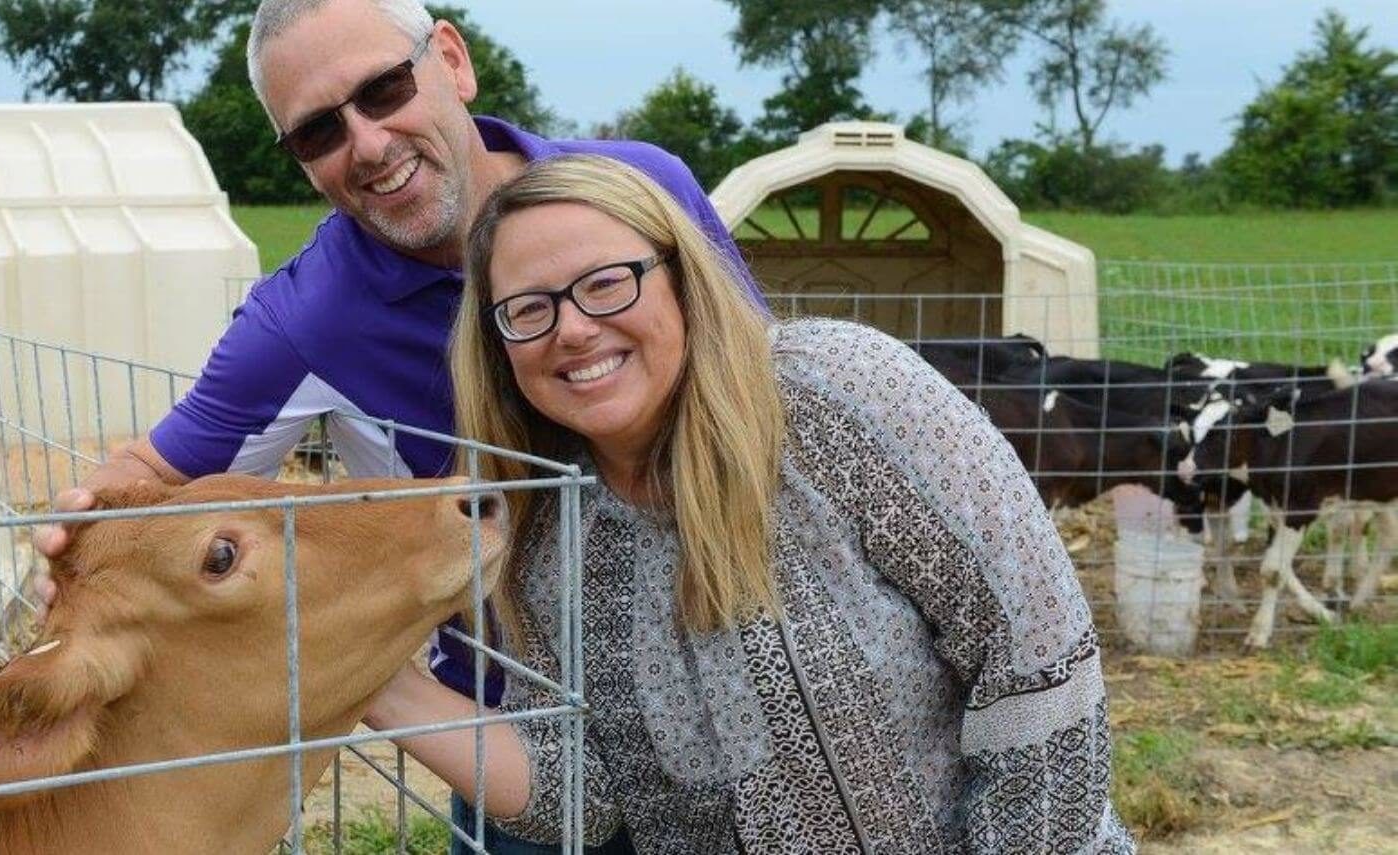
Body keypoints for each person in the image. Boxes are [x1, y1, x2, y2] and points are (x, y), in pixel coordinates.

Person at [35, 1, 750, 851]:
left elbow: (754, 385)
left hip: (728, 681)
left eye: (383, 89)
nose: (367, 145)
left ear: (451, 59)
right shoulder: (306, 319)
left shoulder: (647, 189)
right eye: (317, 134)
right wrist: (86, 538)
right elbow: (153, 473)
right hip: (523, 732)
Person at [361, 154, 1134, 853]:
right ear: (497, 346)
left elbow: (1035, 659)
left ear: (682, 279)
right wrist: (373, 681)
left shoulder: (837, 394)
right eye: (528, 309)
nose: (572, 328)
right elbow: (578, 798)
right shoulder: (546, 531)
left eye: (606, 283)